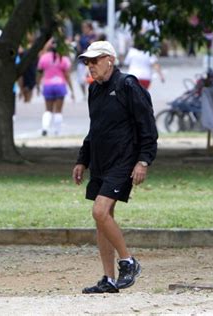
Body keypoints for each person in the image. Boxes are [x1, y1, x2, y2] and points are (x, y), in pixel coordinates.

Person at [72, 41, 158, 294]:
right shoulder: (94, 91)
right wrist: (82, 160)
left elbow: (147, 126)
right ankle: (109, 279)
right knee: (103, 220)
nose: (90, 66)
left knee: (99, 212)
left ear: (109, 59)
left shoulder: (128, 85)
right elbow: (94, 129)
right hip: (100, 161)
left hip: (123, 162)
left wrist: (143, 160)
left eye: (95, 61)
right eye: (87, 62)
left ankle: (128, 262)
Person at [36, 39, 75, 136]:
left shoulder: (44, 58)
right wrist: (72, 90)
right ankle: (57, 131)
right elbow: (67, 76)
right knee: (58, 110)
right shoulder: (63, 59)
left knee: (48, 110)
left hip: (48, 85)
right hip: (60, 85)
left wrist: (37, 85)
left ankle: (45, 128)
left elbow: (39, 73)